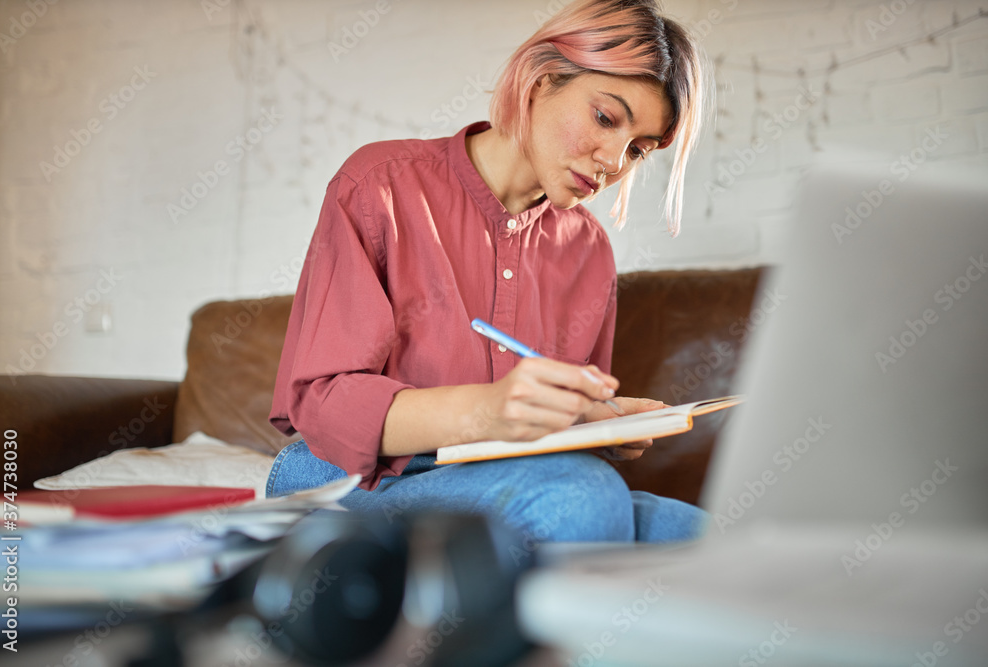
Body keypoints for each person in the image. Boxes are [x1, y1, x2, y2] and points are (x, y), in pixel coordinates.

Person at [267, 0, 712, 544]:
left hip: (504, 478)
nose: (615, 161)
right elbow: (321, 402)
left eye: (638, 150)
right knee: (580, 497)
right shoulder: (378, 185)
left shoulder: (588, 249)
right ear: (542, 79)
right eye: (605, 118)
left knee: (707, 536)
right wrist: (491, 409)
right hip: (351, 475)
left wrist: (594, 420)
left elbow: (549, 445)